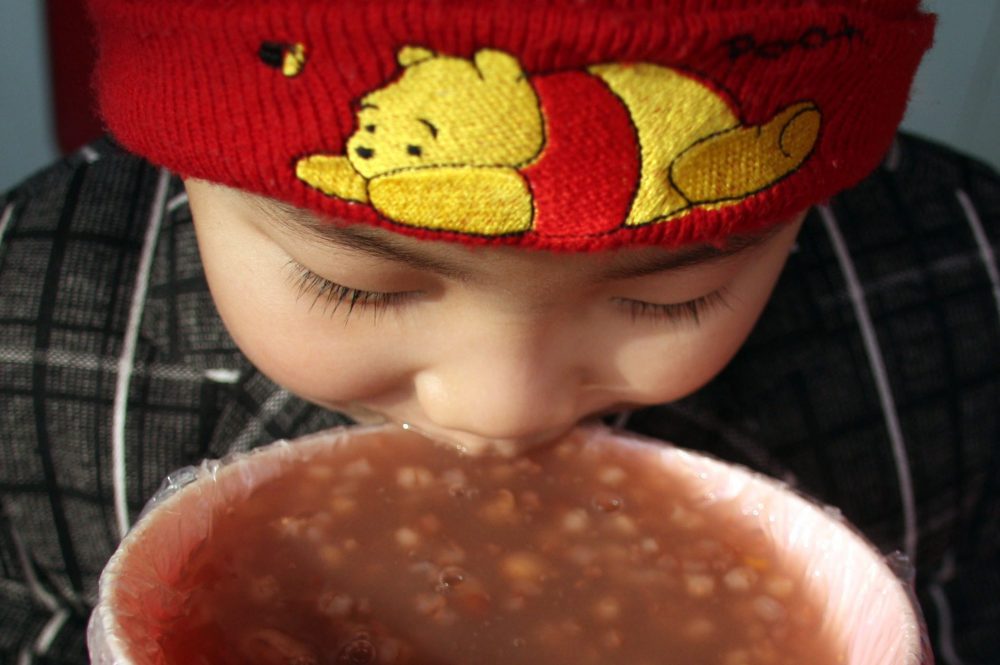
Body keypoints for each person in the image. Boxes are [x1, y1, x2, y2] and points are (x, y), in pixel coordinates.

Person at [0, 0, 996, 662]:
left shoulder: (962, 305)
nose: (499, 406)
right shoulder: (27, 330)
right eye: (355, 285)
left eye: (670, 297)